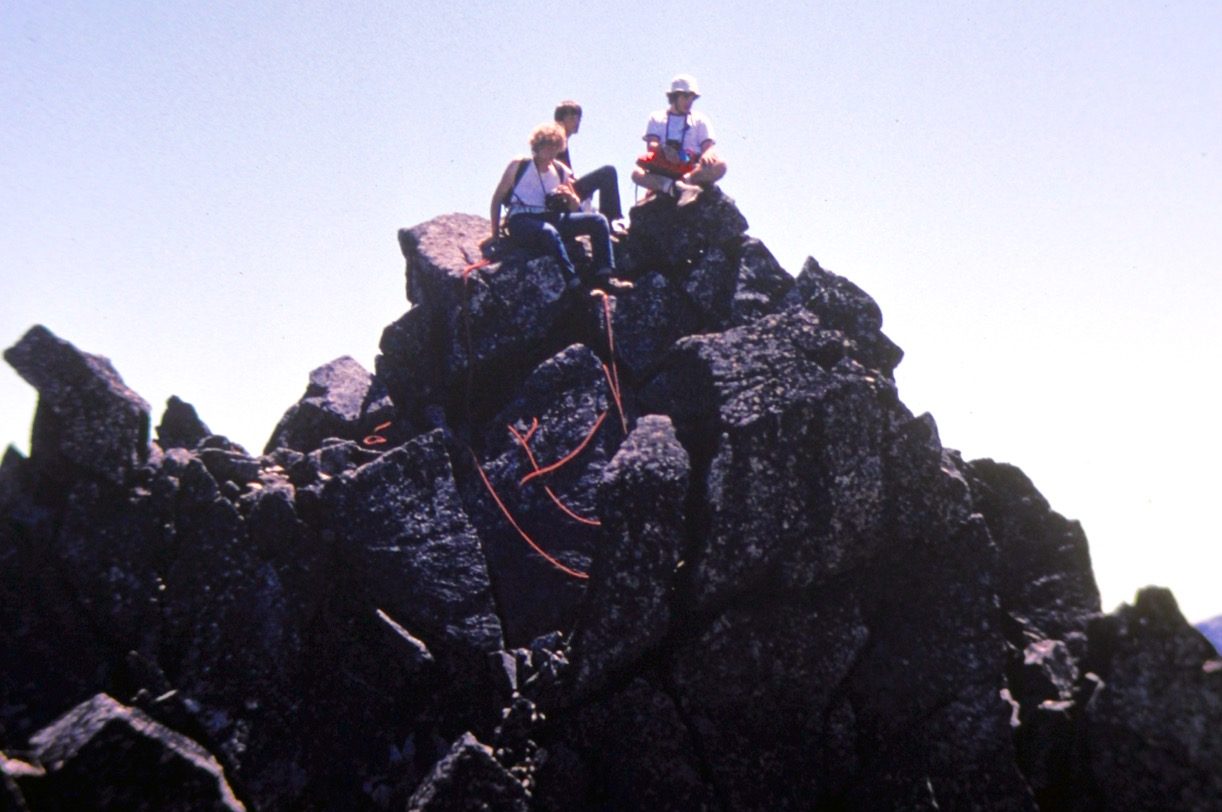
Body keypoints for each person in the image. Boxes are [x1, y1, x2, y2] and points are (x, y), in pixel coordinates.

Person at [488, 122, 626, 291]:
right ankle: (573, 283)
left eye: (555, 145)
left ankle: (604, 276)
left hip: (550, 216)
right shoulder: (520, 165)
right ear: (537, 145)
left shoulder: (560, 170)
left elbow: (577, 209)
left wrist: (569, 198)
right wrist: (495, 234)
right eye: (548, 145)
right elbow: (497, 198)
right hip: (521, 219)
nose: (552, 150)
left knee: (598, 220)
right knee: (549, 232)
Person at [632, 74, 727, 207]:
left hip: (690, 165)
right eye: (685, 97)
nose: (689, 102)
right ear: (674, 97)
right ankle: (672, 188)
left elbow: (708, 147)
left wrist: (707, 154)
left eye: (692, 98)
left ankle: (687, 182)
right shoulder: (657, 117)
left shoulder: (700, 120)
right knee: (637, 173)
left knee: (721, 165)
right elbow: (651, 144)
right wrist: (665, 149)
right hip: (663, 166)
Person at [553, 100, 624, 227]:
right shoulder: (554, 139)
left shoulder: (561, 141)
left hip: (563, 192)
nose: (577, 122)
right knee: (608, 172)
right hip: (559, 195)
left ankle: (609, 219)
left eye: (578, 118)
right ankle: (612, 218)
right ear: (561, 119)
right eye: (572, 117)